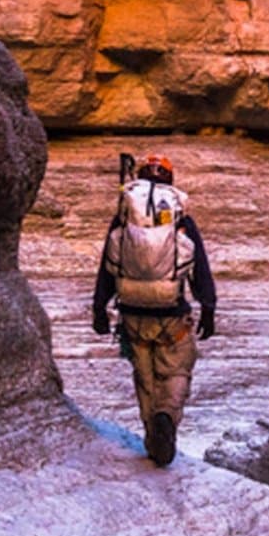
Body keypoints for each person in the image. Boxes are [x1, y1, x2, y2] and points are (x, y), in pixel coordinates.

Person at [88, 152, 218, 467]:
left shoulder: (122, 218)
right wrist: (209, 306)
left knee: (145, 379)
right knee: (175, 371)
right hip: (172, 315)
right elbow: (198, 266)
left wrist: (99, 309)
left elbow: (109, 266)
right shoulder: (181, 221)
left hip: (132, 315)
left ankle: (153, 440)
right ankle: (166, 418)